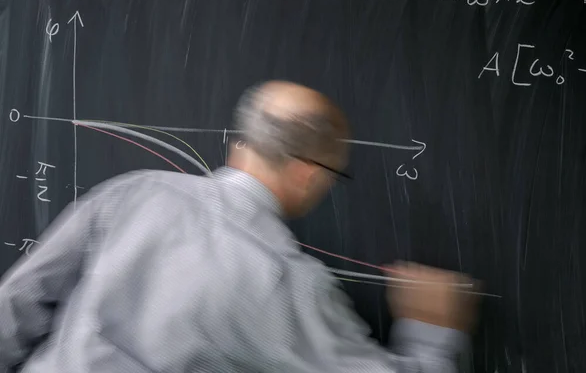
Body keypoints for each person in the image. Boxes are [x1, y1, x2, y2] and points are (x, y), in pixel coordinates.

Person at [0, 80, 480, 372]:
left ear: (240, 141)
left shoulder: (133, 192)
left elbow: (16, 306)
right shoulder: (291, 289)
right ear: (309, 172)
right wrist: (431, 331)